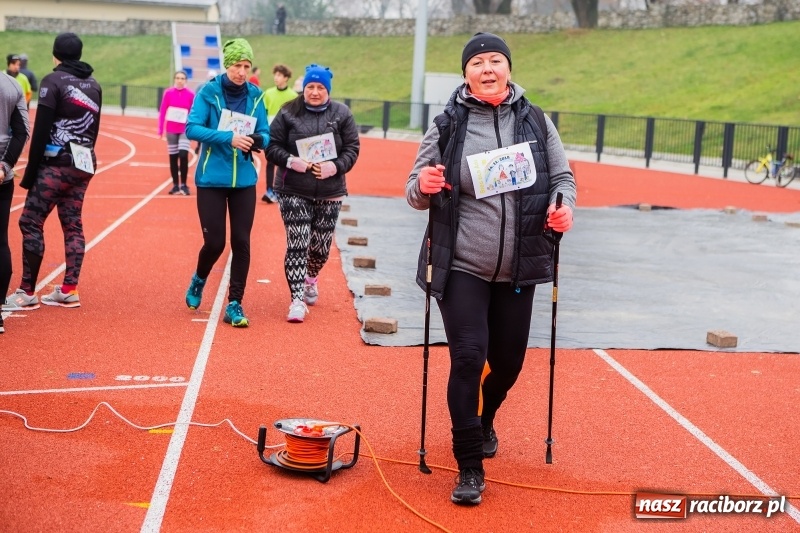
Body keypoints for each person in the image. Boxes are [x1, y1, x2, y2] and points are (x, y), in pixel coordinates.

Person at [405, 32, 576, 506]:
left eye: (494, 60)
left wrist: (564, 209)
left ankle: (486, 417)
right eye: (477, 62)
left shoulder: (537, 121)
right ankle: (469, 467)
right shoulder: (447, 125)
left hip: (520, 266)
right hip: (462, 265)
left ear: (508, 68)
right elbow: (413, 191)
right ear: (465, 74)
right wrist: (424, 184)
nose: (487, 68)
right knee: (466, 357)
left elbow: (562, 179)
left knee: (508, 364)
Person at [3, 33, 102, 311]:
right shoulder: (94, 84)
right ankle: (69, 289)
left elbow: (41, 130)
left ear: (55, 54)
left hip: (56, 164)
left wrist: (31, 173)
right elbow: (94, 127)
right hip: (83, 163)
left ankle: (26, 291)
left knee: (30, 222)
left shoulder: (53, 81)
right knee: (73, 224)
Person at [183, 38, 269, 328]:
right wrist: (228, 137)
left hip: (244, 179)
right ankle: (199, 279)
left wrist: (256, 141)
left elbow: (266, 134)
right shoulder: (208, 92)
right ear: (227, 64)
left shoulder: (256, 96)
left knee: (242, 242)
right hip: (211, 179)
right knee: (215, 242)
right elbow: (192, 128)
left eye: (246, 66)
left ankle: (235, 303)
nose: (242, 71)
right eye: (237, 65)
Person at [266, 64, 360, 323]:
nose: (315, 92)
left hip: (330, 190)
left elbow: (352, 148)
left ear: (328, 90)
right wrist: (290, 160)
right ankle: (296, 299)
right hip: (292, 188)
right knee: (298, 243)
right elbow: (271, 147)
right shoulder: (288, 112)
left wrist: (335, 167)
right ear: (303, 88)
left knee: (320, 248)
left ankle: (310, 277)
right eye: (310, 87)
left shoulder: (342, 114)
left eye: (320, 87)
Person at [0, 72, 30, 333]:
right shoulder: (11, 85)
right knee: (0, 240)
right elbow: (22, 131)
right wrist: (5, 164)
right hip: (1, 175)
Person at [261, 63, 295, 203]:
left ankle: (283, 190)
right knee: (270, 161)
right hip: (271, 133)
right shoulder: (268, 93)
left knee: (285, 161)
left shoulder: (293, 95)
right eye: (275, 75)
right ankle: (269, 190)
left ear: (286, 78)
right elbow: (263, 113)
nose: (276, 77)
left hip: (286, 133)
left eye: (279, 75)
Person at [157, 70, 195, 195]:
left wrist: (193, 127)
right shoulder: (168, 93)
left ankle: (184, 184)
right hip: (171, 130)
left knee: (183, 155)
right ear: (174, 79)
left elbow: (194, 113)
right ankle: (175, 185)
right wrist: (160, 129)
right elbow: (163, 111)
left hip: (184, 129)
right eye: (178, 78)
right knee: (173, 157)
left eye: (182, 78)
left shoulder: (190, 94)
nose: (180, 80)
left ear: (186, 81)